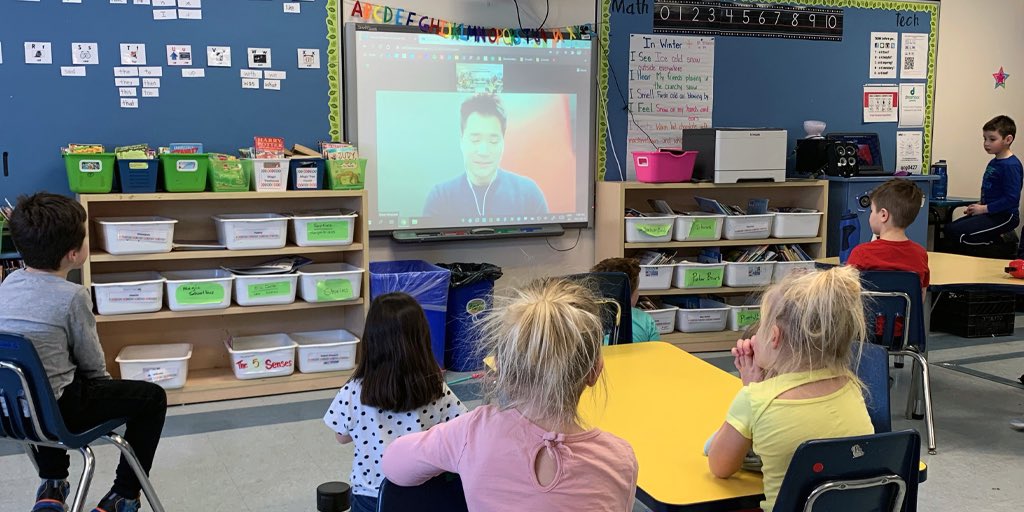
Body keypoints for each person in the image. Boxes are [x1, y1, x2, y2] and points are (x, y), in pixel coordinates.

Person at [381, 278, 639, 511]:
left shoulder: (473, 432)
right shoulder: (619, 459)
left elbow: (394, 465)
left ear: (501, 370)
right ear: (594, 371)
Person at [0, 193, 167, 512]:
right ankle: (124, 496)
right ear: (75, 254)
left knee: (40, 384)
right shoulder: (73, 295)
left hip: (9, 413)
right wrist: (105, 390)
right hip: (57, 414)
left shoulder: (8, 284)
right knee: (152, 398)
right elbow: (92, 365)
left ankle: (51, 484)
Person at [707, 267, 874, 512]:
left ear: (774, 337)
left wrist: (752, 391)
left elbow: (720, 466)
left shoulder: (755, 399)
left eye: (760, 326)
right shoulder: (851, 386)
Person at [323, 292, 467, 512]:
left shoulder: (354, 391)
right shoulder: (435, 387)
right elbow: (461, 427)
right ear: (421, 339)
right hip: (422, 491)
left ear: (371, 341)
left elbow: (341, 437)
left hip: (370, 493)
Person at [421, 94, 548, 221]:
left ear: (503, 143)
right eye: (475, 140)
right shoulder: (440, 197)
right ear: (461, 142)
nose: (483, 151)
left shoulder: (528, 194)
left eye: (493, 141)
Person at [945, 115, 1023, 254]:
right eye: (984, 139)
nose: (986, 143)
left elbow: (1012, 199)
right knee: (950, 229)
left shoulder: (1011, 165)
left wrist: (983, 209)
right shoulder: (994, 162)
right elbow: (992, 191)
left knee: (961, 235)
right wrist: (978, 207)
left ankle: (1003, 247)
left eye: (992, 139)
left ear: (1008, 139)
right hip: (989, 212)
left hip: (1005, 216)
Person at [846, 178, 930, 290]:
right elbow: (920, 298)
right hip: (905, 308)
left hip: (868, 308)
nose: (870, 216)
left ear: (883, 215)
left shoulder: (861, 253)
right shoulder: (920, 255)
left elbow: (847, 295)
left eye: (872, 211)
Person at [591, 257, 660, 342]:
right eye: (637, 289)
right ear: (629, 294)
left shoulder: (585, 317)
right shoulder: (645, 321)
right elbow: (655, 352)